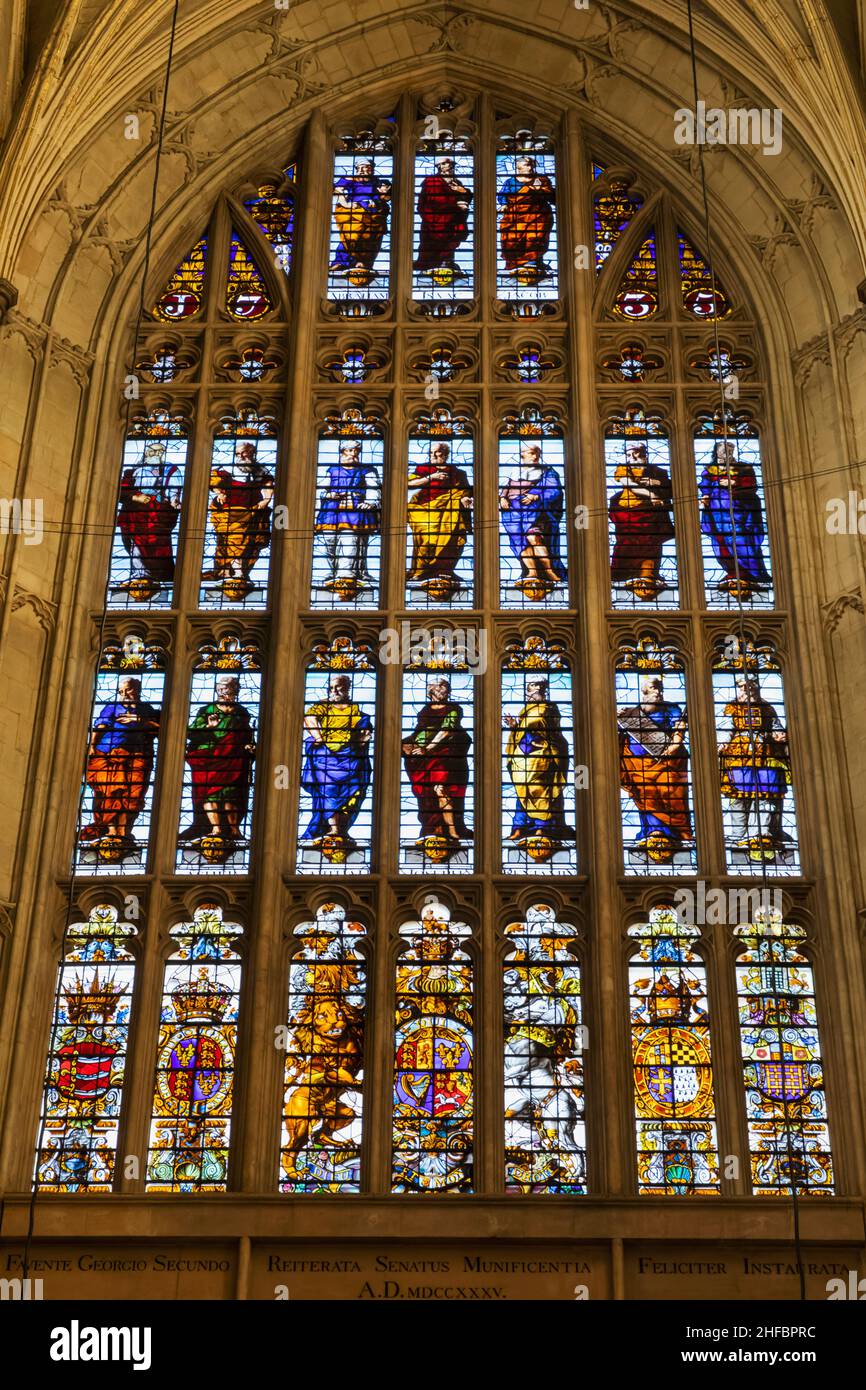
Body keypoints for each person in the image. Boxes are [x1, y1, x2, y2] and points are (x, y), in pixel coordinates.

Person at [618, 675, 693, 859]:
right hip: (637, 764)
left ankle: (672, 832)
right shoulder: (632, 713)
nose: (658, 692)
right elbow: (619, 735)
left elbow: (679, 727)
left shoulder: (671, 708)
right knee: (645, 794)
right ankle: (652, 831)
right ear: (644, 691)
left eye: (660, 688)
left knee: (670, 791)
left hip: (667, 762)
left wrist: (675, 745)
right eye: (654, 688)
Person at [80, 677, 161, 847]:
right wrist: (92, 746)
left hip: (139, 754)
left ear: (137, 690)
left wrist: (138, 721)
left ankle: (123, 831)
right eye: (121, 691)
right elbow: (100, 726)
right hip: (110, 754)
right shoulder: (112, 707)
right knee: (112, 792)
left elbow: (160, 728)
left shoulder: (146, 709)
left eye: (128, 689)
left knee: (133, 794)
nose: (124, 694)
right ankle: (111, 831)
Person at [180, 676, 256, 846]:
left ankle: (234, 830)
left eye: (228, 688)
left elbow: (247, 733)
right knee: (210, 794)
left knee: (231, 794)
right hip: (209, 758)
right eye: (220, 688)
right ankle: (216, 829)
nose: (223, 692)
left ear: (236, 690)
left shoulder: (241, 712)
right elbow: (191, 733)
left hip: (234, 758)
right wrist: (209, 727)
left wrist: (251, 746)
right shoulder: (206, 710)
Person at [719, 674, 790, 849]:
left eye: (750, 686)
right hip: (739, 756)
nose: (747, 690)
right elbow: (726, 728)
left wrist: (778, 734)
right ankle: (739, 834)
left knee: (765, 794)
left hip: (765, 754)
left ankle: (760, 832)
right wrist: (722, 742)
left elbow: (776, 726)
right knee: (739, 796)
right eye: (743, 686)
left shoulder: (767, 708)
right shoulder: (732, 708)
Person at [300, 674, 373, 846]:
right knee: (328, 791)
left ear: (347, 688)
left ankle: (340, 831)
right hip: (325, 758)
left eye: (338, 687)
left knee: (351, 792)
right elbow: (309, 718)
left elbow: (363, 730)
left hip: (351, 757)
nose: (334, 691)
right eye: (331, 688)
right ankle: (333, 830)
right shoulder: (323, 706)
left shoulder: (355, 710)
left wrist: (362, 738)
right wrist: (318, 738)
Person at [402, 678, 472, 844]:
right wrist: (407, 745)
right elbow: (420, 731)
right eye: (439, 686)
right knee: (427, 793)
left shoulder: (454, 709)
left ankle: (453, 830)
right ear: (430, 689)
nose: (443, 689)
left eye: (446, 686)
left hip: (445, 753)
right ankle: (434, 827)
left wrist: (428, 748)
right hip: (424, 753)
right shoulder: (426, 709)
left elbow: (446, 730)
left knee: (441, 789)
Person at [699, 440, 772, 597]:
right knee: (720, 541)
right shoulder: (709, 470)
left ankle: (748, 573)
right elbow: (705, 486)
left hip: (740, 511)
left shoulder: (743, 468)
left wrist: (733, 482)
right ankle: (732, 571)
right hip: (716, 512)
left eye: (731, 450)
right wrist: (705, 497)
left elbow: (752, 485)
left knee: (741, 539)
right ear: (716, 452)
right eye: (724, 450)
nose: (728, 453)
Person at [503, 678, 573, 842]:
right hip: (522, 756)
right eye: (531, 688)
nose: (534, 691)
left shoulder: (549, 708)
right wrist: (515, 726)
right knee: (522, 791)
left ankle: (542, 826)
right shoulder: (525, 710)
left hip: (543, 755)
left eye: (538, 688)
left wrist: (543, 740)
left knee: (542, 790)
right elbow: (523, 730)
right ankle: (520, 827)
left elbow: (553, 730)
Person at [608, 442, 675, 601]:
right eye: (628, 454)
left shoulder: (658, 471)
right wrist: (650, 494)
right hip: (628, 509)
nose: (632, 457)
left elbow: (672, 488)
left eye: (636, 453)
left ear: (644, 453)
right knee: (628, 541)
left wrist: (655, 483)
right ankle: (628, 573)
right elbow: (629, 484)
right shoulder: (623, 468)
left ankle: (648, 573)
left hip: (651, 512)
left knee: (651, 542)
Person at [204, 441, 274, 591]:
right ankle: (230, 571)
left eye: (244, 453)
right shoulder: (227, 468)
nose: (240, 457)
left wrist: (267, 499)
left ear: (252, 454)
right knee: (229, 540)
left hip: (252, 511)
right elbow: (213, 479)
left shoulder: (260, 470)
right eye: (238, 454)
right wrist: (219, 493)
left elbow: (268, 484)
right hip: (229, 512)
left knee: (248, 542)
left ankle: (239, 572)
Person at [314, 441, 380, 596]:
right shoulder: (331, 470)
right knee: (329, 544)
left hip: (355, 511)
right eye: (350, 450)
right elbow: (320, 488)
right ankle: (335, 571)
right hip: (331, 512)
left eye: (356, 451)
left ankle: (346, 575)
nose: (353, 454)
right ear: (342, 452)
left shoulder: (367, 470)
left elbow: (374, 487)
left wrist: (370, 502)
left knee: (350, 541)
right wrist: (328, 495)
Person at [115, 440, 182, 594]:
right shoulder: (133, 472)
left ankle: (159, 578)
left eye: (160, 452)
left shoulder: (170, 470)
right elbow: (119, 491)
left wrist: (174, 501)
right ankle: (140, 575)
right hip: (135, 514)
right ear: (146, 454)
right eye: (153, 451)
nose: (156, 455)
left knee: (159, 547)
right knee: (135, 546)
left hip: (158, 514)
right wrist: (135, 496)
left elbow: (174, 491)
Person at [406, 441, 472, 593]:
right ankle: (422, 571)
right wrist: (431, 477)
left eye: (438, 453)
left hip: (451, 511)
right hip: (424, 509)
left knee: (454, 538)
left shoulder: (458, 473)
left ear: (446, 455)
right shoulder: (423, 469)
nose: (434, 456)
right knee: (427, 538)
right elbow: (408, 484)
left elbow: (465, 491)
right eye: (431, 453)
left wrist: (464, 499)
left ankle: (445, 570)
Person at [499, 442, 566, 593]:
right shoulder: (515, 471)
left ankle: (549, 571)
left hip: (534, 512)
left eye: (531, 452)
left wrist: (536, 496)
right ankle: (532, 572)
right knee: (520, 543)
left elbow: (554, 491)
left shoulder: (547, 472)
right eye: (525, 452)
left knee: (534, 538)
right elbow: (506, 488)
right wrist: (502, 498)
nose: (528, 456)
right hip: (512, 512)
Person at [497, 155, 555, 281]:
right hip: (514, 216)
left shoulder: (541, 179)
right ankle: (518, 264)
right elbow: (502, 197)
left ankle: (533, 263)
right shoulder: (510, 182)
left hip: (538, 216)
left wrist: (540, 191)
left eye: (532, 165)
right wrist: (504, 205)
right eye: (528, 165)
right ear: (519, 168)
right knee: (511, 237)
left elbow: (552, 196)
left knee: (535, 237)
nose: (531, 167)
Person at [330, 158, 391, 276]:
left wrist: (379, 200)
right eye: (361, 168)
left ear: (372, 169)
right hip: (354, 211)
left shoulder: (376, 181)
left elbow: (386, 194)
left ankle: (363, 262)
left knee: (371, 238)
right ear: (357, 169)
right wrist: (345, 204)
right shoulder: (350, 179)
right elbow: (338, 190)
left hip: (373, 214)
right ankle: (342, 261)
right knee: (351, 235)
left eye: (367, 167)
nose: (364, 170)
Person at [414, 157, 472, 276]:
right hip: (434, 218)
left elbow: (464, 197)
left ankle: (446, 261)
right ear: (439, 166)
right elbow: (435, 200)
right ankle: (432, 264)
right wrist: (456, 205)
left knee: (450, 240)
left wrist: (464, 192)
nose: (449, 166)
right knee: (433, 241)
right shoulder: (432, 181)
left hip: (452, 218)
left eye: (451, 164)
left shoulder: (456, 182)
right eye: (446, 164)